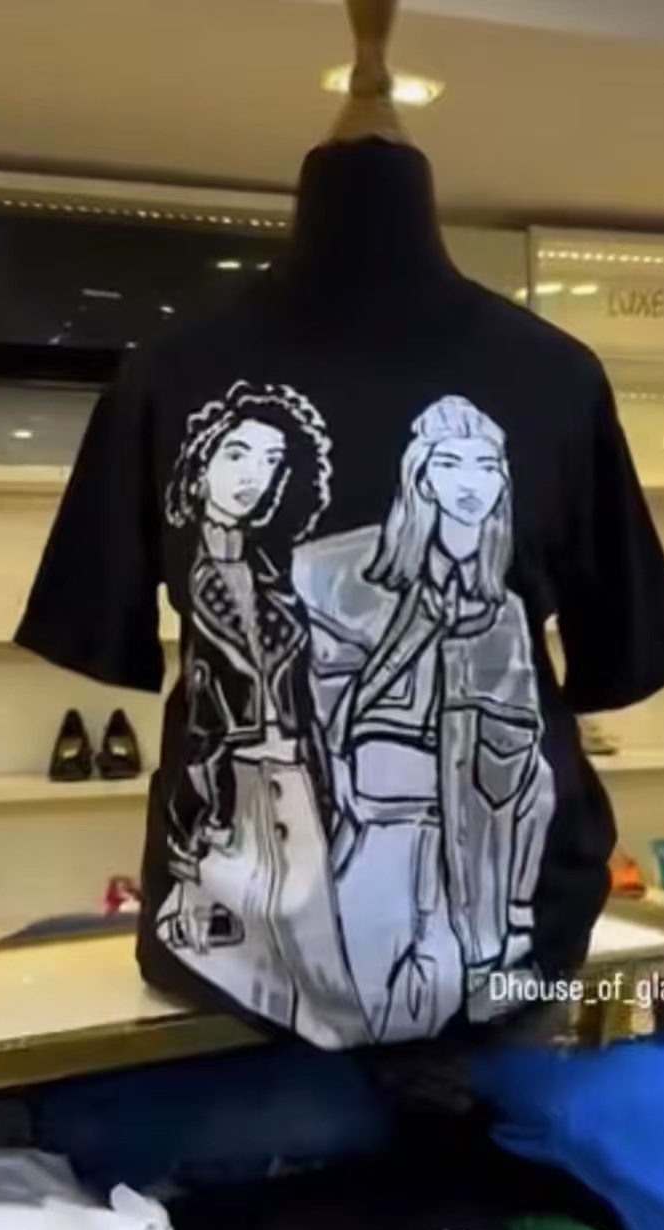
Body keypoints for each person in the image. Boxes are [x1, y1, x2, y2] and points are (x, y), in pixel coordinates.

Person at [293, 395, 556, 1042]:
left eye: (487, 466)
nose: (471, 482)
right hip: (378, 815)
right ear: (423, 475)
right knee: (361, 999)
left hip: (466, 832)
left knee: (436, 1006)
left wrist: (514, 910)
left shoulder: (503, 611)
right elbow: (321, 698)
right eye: (451, 463)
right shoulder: (341, 571)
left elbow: (524, 747)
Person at [155, 380, 361, 1046]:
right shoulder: (189, 565)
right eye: (237, 454)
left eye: (271, 461)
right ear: (201, 461)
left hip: (291, 766)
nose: (253, 475)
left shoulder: (273, 576)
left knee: (318, 942)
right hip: (228, 776)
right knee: (240, 950)